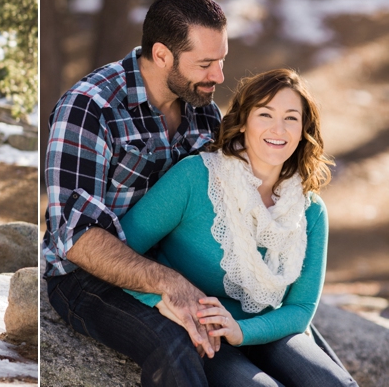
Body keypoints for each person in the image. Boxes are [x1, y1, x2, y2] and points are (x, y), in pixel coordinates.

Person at [42, 0, 343, 385]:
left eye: (222, 60)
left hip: (175, 269)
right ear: (162, 55)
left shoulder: (202, 111)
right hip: (86, 274)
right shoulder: (90, 107)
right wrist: (168, 285)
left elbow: (236, 185)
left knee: (317, 366)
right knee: (176, 347)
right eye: (206, 63)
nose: (219, 76)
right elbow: (75, 237)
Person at [119, 69, 356, 386]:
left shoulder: (310, 211)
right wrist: (160, 300)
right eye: (265, 113)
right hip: (205, 331)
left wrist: (242, 330)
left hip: (269, 329)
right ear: (243, 121)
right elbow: (119, 253)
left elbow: (300, 308)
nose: (278, 128)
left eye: (290, 118)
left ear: (303, 131)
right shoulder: (196, 178)